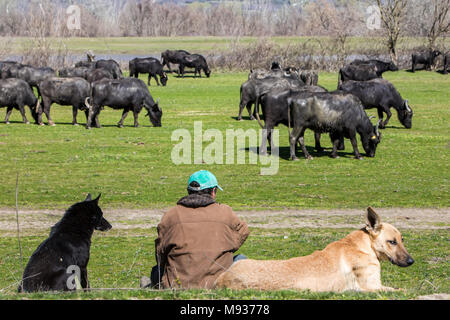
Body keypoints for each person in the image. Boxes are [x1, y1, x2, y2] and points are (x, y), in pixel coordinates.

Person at [141, 170, 249, 289]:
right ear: (213, 191)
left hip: (177, 285)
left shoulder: (171, 215)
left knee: (157, 270)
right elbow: (243, 232)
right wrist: (224, 247)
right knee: (241, 260)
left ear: (189, 191)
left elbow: (160, 253)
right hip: (217, 284)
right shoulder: (225, 212)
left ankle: (151, 287)